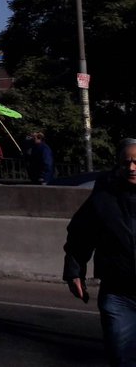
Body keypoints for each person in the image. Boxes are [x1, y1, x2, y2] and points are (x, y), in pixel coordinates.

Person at [64, 138, 136, 366]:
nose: (132, 168)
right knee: (121, 357)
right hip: (119, 293)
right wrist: (75, 271)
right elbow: (81, 233)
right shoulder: (104, 195)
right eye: (126, 163)